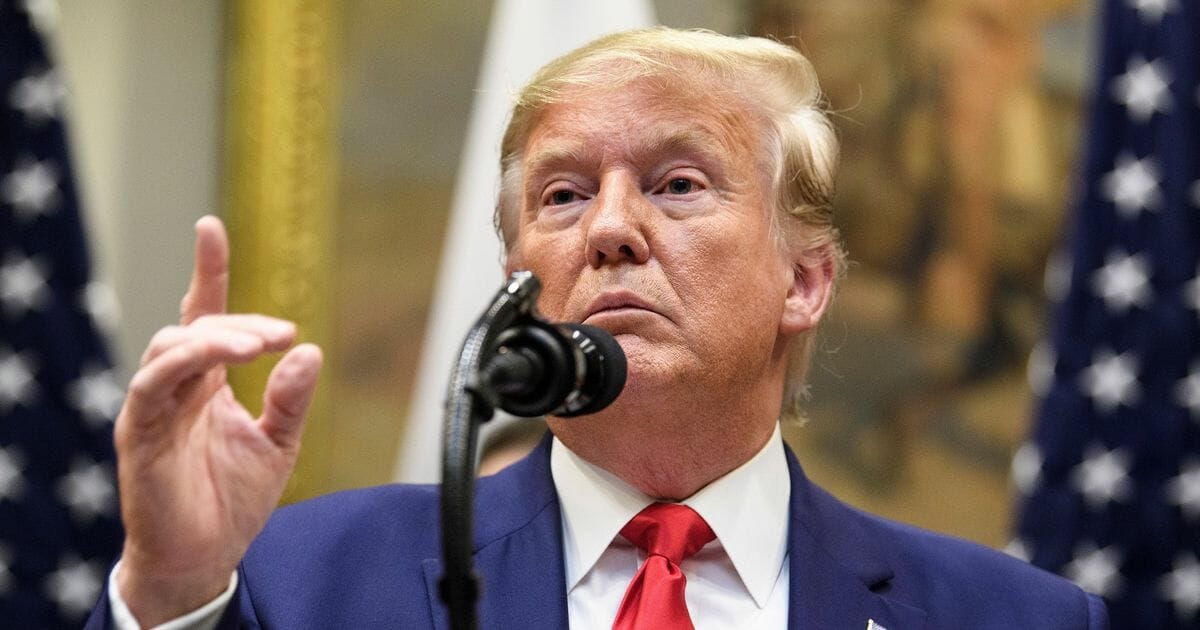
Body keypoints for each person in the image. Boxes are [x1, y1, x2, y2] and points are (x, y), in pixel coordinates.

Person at [87, 28, 1106, 629]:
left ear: (804, 280)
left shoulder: (1014, 619)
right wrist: (171, 588)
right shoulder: (305, 583)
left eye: (677, 182)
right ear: (517, 286)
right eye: (565, 196)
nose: (612, 227)